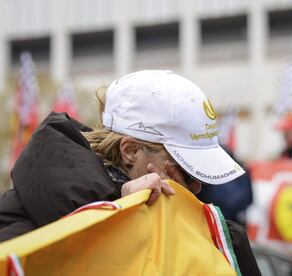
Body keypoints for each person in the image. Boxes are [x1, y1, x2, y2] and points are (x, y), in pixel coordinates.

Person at [0, 70, 261, 275]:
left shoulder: (210, 236)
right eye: (185, 171)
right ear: (131, 151)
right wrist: (115, 208)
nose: (196, 188)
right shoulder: (19, 231)